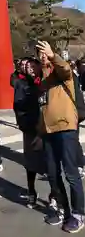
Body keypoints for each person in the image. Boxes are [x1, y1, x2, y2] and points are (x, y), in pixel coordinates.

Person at [37, 40, 85, 232]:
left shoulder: (64, 75)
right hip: (47, 131)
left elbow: (64, 68)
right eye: (39, 53)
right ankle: (64, 210)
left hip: (65, 128)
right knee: (53, 174)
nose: (42, 57)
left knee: (71, 174)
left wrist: (52, 54)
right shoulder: (43, 80)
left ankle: (79, 213)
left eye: (44, 53)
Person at [12, 57, 45, 208]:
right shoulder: (20, 83)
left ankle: (54, 195)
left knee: (49, 164)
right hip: (30, 128)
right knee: (30, 162)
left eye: (32, 66)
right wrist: (23, 123)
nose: (29, 68)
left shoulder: (46, 82)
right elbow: (17, 106)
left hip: (47, 128)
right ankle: (31, 190)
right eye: (26, 66)